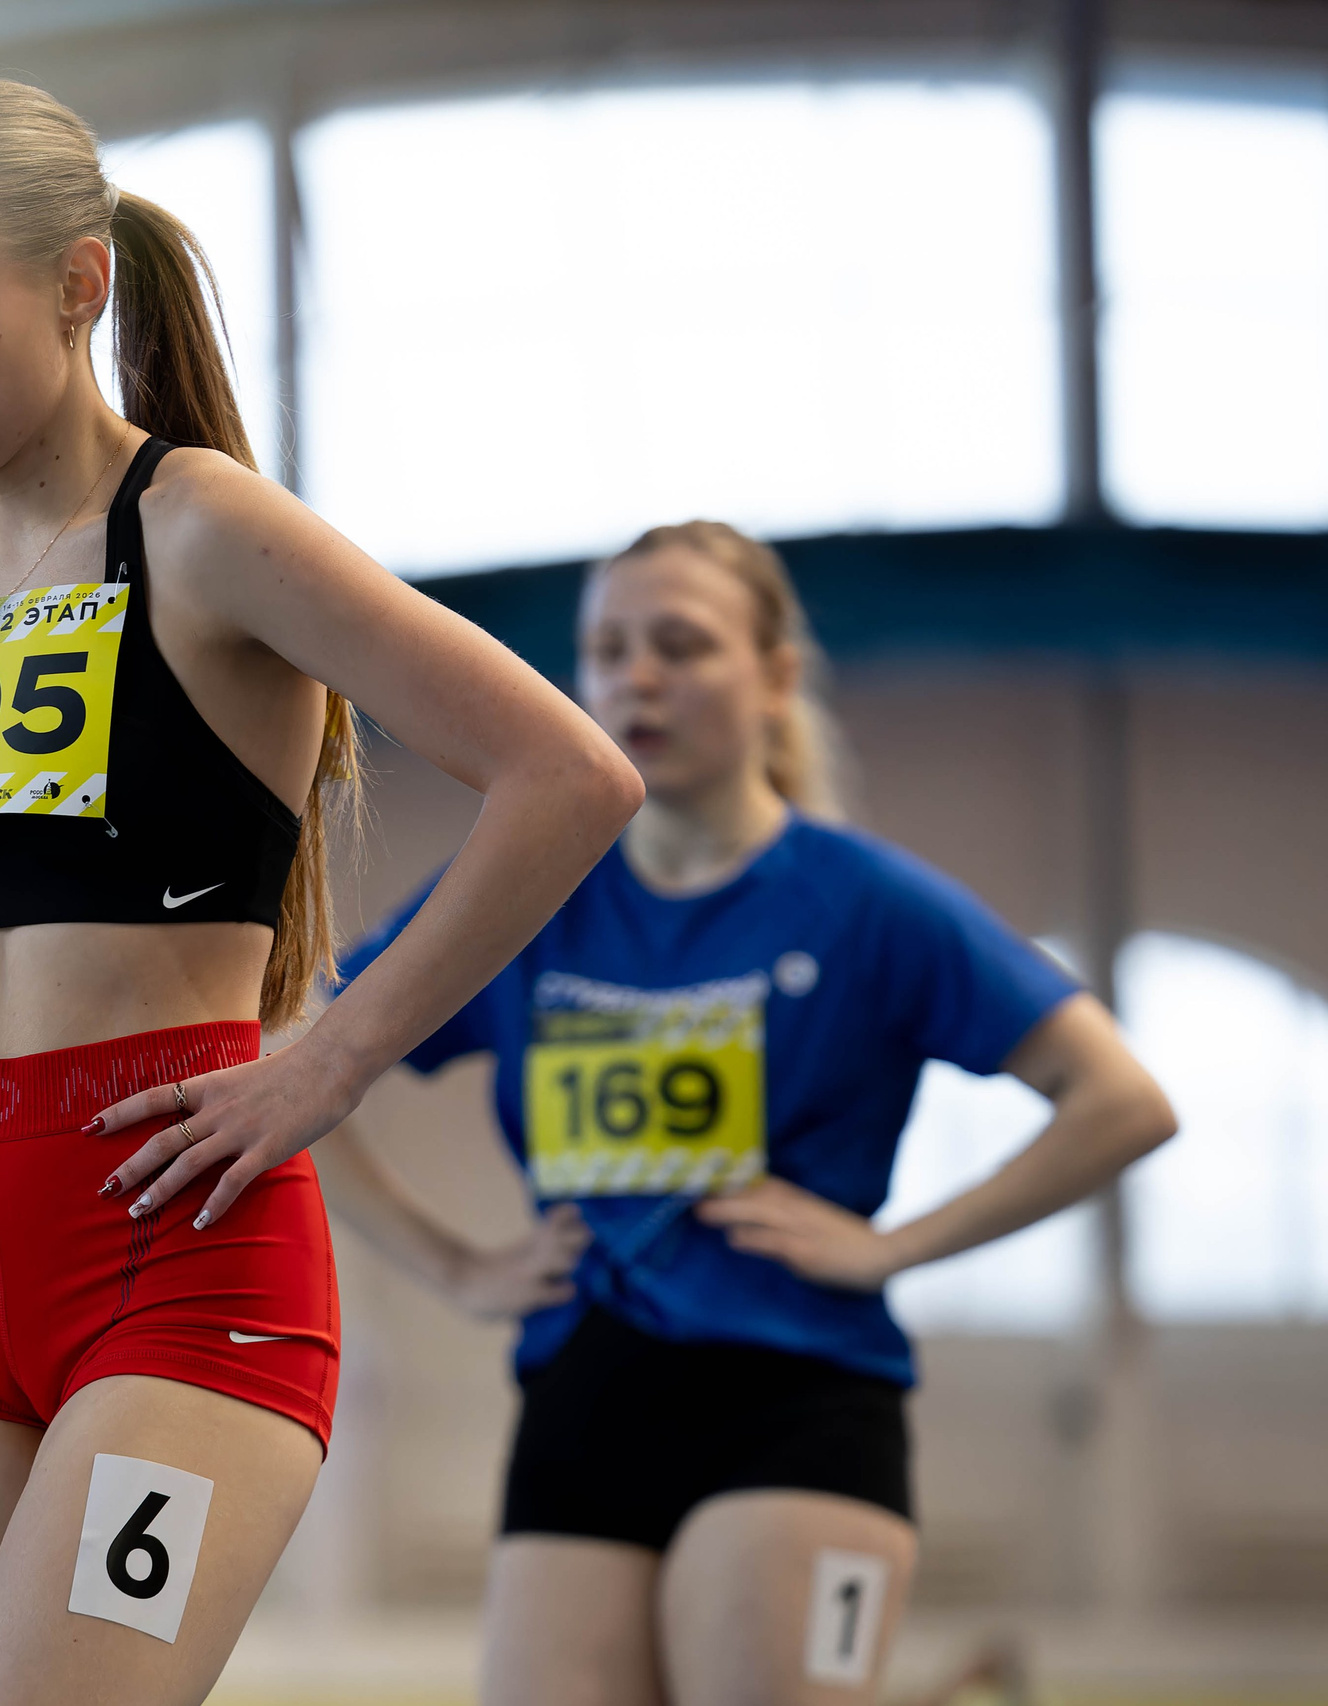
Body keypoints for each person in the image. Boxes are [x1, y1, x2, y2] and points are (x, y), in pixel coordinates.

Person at [0, 75, 642, 1706]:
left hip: (177, 1246)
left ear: (79, 283)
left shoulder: (205, 533)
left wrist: (329, 1058)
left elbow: (568, 776)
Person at [314, 520, 1178, 1704]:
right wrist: (452, 1263)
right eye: (609, 649)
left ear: (774, 678)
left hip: (799, 1402)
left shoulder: (865, 902)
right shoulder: (527, 896)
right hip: (583, 1396)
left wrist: (895, 1245)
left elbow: (1120, 1100)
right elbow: (297, 1059)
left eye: (682, 643)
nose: (638, 677)